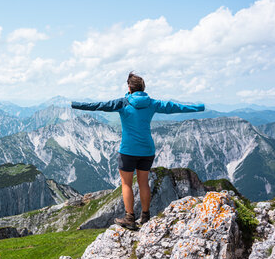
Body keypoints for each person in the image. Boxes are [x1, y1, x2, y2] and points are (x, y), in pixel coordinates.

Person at [70, 72, 205, 230]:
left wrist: (76, 104)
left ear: (129, 87)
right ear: (143, 88)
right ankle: (146, 216)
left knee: (126, 184)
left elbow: (98, 105)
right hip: (147, 150)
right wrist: (199, 107)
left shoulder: (123, 102)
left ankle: (130, 218)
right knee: (143, 183)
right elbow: (174, 107)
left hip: (128, 150)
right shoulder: (152, 103)